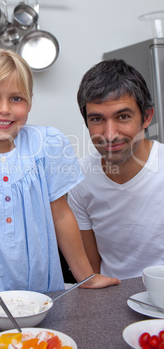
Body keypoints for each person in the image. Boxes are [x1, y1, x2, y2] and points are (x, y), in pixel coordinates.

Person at [0, 50, 120, 312]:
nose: (4, 109)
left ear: (29, 103)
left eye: (16, 98)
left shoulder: (48, 144)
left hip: (40, 291)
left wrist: (86, 277)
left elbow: (61, 215)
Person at [68, 58, 164, 280]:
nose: (110, 134)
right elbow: (91, 274)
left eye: (123, 116)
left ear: (146, 117)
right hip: (112, 299)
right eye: (97, 119)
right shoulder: (79, 178)